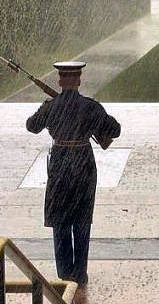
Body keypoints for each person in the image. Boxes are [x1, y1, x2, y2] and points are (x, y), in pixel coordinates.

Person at [26, 61, 121, 285]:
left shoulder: (51, 106)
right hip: (83, 164)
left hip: (59, 164)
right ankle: (80, 272)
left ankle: (64, 273)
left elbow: (32, 126)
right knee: (81, 219)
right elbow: (115, 130)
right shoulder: (90, 107)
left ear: (59, 81)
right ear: (79, 80)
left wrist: (46, 107)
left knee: (60, 220)